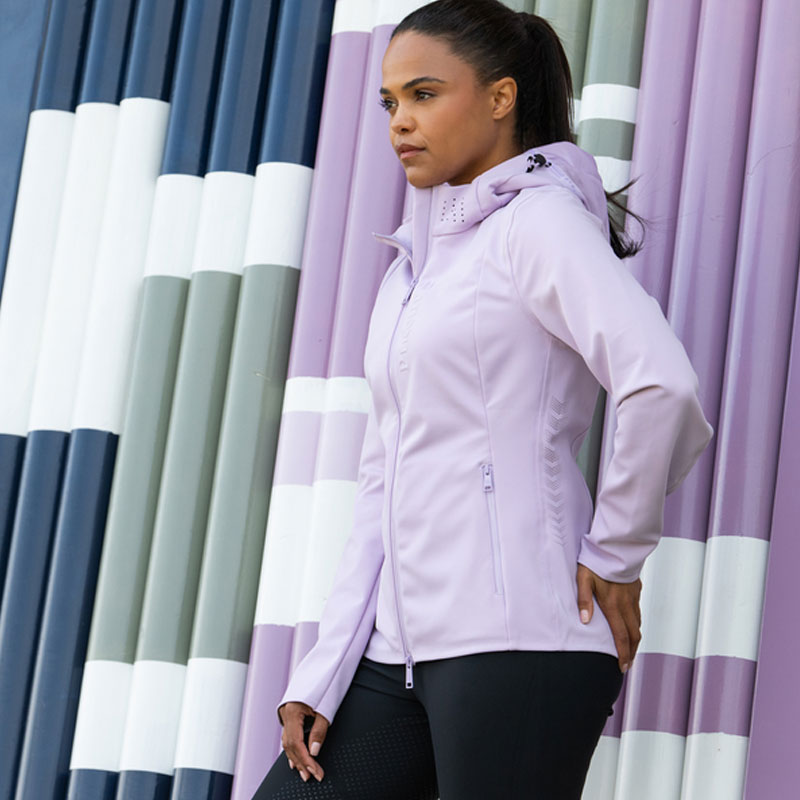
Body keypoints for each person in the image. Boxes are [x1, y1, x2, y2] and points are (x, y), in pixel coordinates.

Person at [255, 1, 714, 797]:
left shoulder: (539, 224)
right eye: (390, 101)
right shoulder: (411, 271)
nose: (401, 121)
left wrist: (616, 552)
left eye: (425, 94)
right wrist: (325, 670)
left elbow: (661, 384)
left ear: (501, 98)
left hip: (520, 642)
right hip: (396, 655)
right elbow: (383, 483)